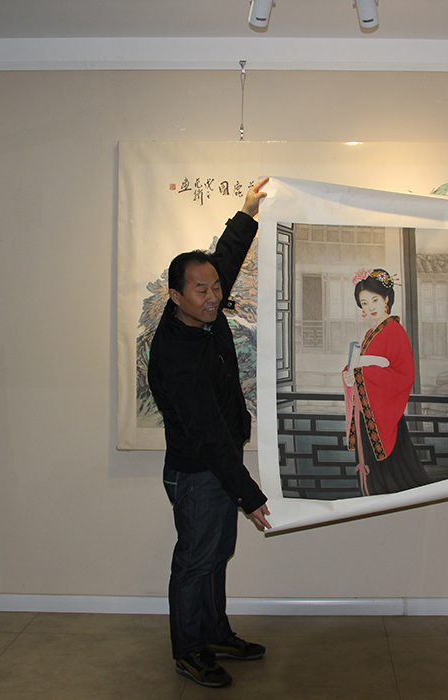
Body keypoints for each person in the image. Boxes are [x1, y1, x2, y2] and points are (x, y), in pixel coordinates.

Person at [147, 177, 272, 688]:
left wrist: (247, 212)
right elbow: (208, 435)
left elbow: (225, 259)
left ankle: (216, 634)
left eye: (216, 287)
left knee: (216, 557)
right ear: (175, 296)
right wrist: (248, 493)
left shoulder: (204, 315)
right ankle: (190, 651)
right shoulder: (177, 355)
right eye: (201, 290)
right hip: (198, 473)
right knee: (195, 563)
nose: (213, 296)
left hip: (216, 467)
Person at [341, 269, 432, 496]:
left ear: (387, 299)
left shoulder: (394, 330)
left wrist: (363, 374)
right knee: (372, 466)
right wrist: (349, 375)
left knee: (394, 472)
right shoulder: (370, 334)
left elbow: (403, 374)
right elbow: (358, 365)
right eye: (364, 303)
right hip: (367, 409)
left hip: (384, 412)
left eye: (375, 300)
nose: (370, 307)